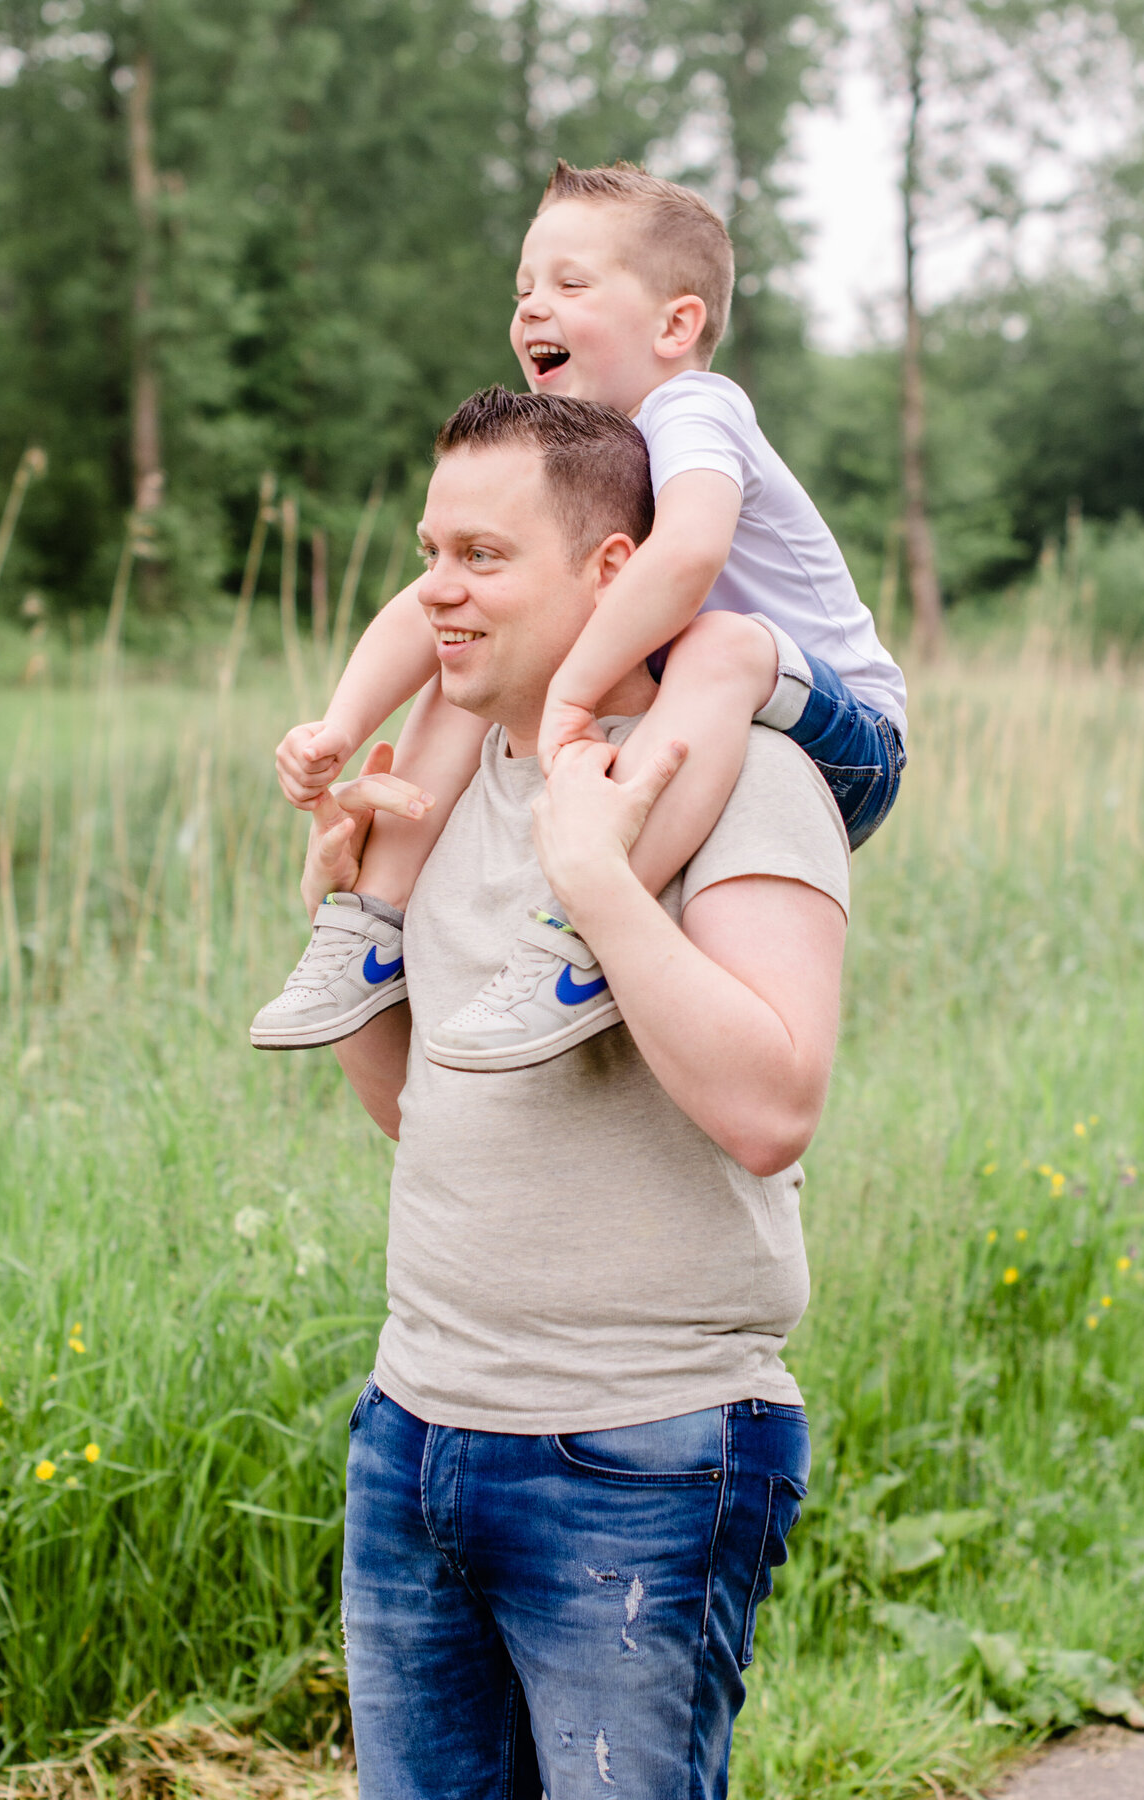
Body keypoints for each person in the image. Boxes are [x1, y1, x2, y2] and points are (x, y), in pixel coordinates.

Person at [314, 385, 849, 1798]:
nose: (438, 591)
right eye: (433, 551)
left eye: (482, 558)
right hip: (414, 1431)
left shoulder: (748, 782)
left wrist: (601, 883)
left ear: (613, 571)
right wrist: (351, 913)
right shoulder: (454, 778)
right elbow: (420, 1108)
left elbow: (772, 1104)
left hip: (642, 1451)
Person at [249, 161, 903, 1067]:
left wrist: (570, 696)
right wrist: (340, 726)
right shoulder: (591, 450)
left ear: (677, 324)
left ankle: (577, 943)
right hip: (714, 704)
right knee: (463, 645)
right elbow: (426, 601)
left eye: (570, 283)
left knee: (718, 643)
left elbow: (688, 556)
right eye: (522, 287)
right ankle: (366, 931)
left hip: (849, 734)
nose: (529, 308)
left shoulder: (695, 409)